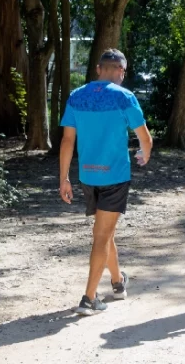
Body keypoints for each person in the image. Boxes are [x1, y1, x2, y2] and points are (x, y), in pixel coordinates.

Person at [59, 49, 153, 316]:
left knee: (103, 232)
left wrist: (64, 178)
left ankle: (117, 283)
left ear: (99, 69)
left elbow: (67, 140)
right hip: (114, 177)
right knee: (102, 235)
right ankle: (89, 299)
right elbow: (145, 138)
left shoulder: (77, 96)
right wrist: (144, 155)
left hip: (87, 176)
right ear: (121, 71)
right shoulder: (125, 96)